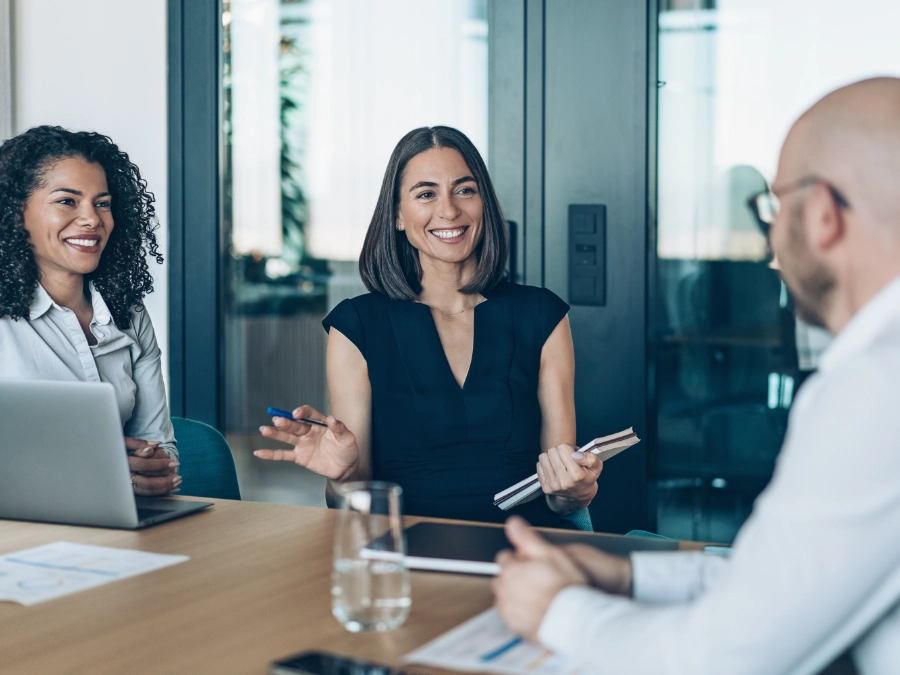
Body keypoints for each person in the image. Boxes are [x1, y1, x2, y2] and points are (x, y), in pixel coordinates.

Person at [491, 77, 900, 674]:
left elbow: (725, 659)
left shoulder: (875, 390)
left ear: (822, 216)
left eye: (773, 208)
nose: (769, 239)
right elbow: (779, 582)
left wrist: (558, 611)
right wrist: (626, 575)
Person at [256, 126, 601, 528]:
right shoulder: (356, 327)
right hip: (405, 554)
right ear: (399, 216)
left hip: (524, 551)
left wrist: (578, 488)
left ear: (484, 204)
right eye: (426, 194)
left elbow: (563, 498)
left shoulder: (543, 316)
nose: (449, 210)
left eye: (465, 190)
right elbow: (352, 500)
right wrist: (345, 477)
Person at [0, 126, 180, 497]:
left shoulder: (128, 312)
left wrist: (152, 470)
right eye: (67, 201)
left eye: (102, 203)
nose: (92, 220)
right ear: (16, 211)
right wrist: (102, 474)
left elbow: (159, 449)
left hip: (118, 523)